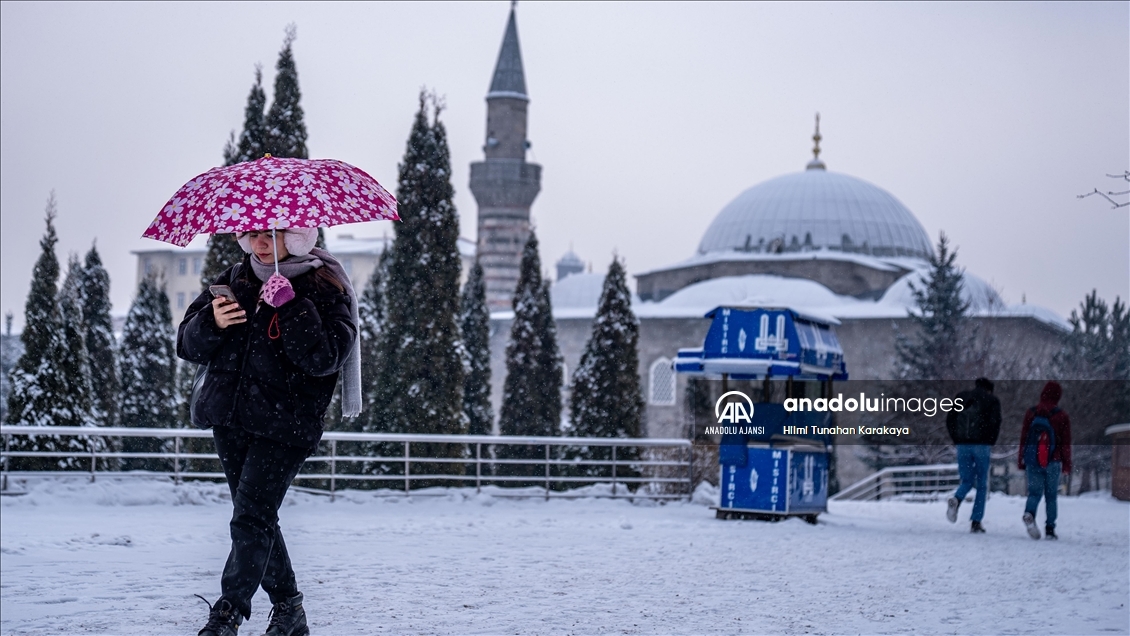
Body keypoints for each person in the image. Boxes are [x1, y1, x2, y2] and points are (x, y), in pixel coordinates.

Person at [178, 227, 360, 636]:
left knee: (250, 518)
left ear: (296, 238)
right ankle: (289, 610)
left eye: (273, 234)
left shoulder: (325, 285)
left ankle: (228, 612)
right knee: (256, 517)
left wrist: (292, 307)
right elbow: (187, 344)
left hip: (286, 424)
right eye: (252, 234)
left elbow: (326, 358)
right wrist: (211, 320)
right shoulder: (234, 278)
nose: (260, 243)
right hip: (230, 419)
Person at [945, 377, 1002, 533]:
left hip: (962, 445)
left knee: (967, 480)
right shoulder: (992, 400)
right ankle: (976, 522)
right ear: (989, 389)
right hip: (982, 445)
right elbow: (996, 422)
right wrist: (990, 440)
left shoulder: (961, 397)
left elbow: (950, 419)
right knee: (982, 484)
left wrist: (956, 439)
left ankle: (956, 499)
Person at [1017, 381, 1071, 540]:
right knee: (1051, 496)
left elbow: (1024, 438)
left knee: (1034, 493)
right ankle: (1050, 529)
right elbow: (1065, 443)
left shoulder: (1031, 412)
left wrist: (1021, 459)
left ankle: (1029, 514)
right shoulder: (1062, 415)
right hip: (1053, 461)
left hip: (1033, 460)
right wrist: (1067, 463)